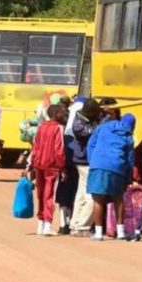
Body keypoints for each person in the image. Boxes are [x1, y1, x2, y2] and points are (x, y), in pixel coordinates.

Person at [86, 113, 136, 241]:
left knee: (98, 199)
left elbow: (91, 145)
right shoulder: (128, 136)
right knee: (118, 199)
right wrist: (128, 178)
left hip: (98, 164)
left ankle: (98, 233)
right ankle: (120, 232)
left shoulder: (103, 127)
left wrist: (93, 161)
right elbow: (130, 159)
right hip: (117, 167)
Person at [29, 105, 67, 236]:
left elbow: (35, 147)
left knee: (41, 194)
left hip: (39, 165)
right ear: (56, 113)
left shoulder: (41, 127)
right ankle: (47, 224)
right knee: (49, 195)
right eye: (61, 112)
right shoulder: (58, 128)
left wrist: (31, 164)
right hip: (52, 167)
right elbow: (59, 150)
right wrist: (62, 168)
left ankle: (40, 223)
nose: (63, 114)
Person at [67, 99, 101, 237]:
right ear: (90, 111)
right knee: (92, 195)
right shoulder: (79, 123)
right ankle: (82, 226)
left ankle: (75, 224)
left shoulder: (84, 118)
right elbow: (92, 132)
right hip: (84, 161)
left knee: (81, 194)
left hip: (83, 161)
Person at [56, 96, 86, 234]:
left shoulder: (64, 131)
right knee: (74, 192)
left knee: (64, 192)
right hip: (75, 166)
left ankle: (64, 224)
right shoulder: (83, 131)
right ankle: (71, 221)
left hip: (64, 167)